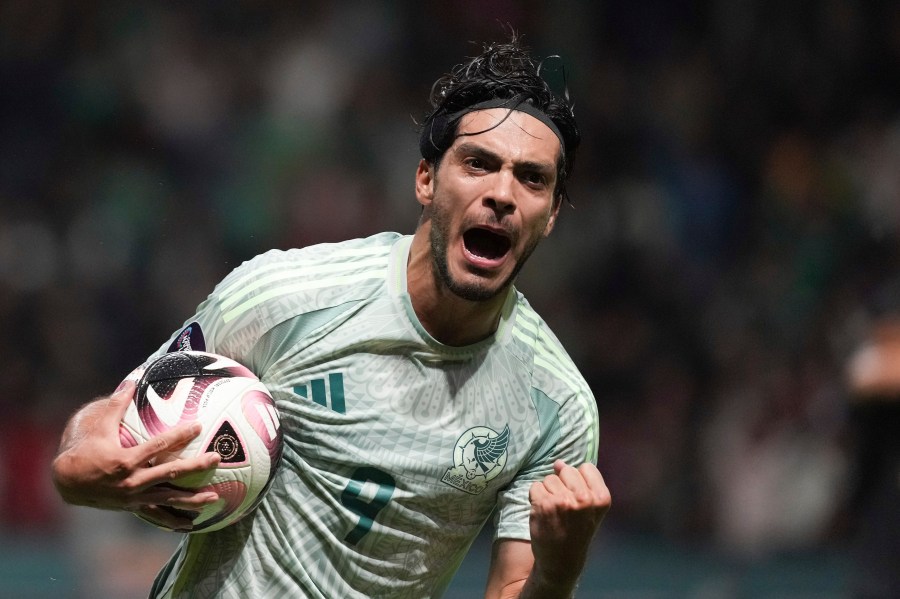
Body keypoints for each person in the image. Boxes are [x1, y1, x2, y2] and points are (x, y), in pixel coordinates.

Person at [51, 36, 611, 599]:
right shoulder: (285, 295)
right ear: (426, 179)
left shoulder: (554, 404)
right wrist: (82, 457)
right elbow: (126, 405)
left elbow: (515, 587)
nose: (502, 195)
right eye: (478, 164)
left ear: (551, 215)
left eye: (532, 178)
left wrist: (556, 574)